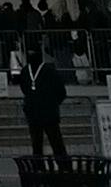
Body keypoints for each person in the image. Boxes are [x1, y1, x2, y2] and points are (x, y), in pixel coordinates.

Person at [26, 38, 75, 167]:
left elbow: (24, 89)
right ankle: (64, 166)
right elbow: (61, 91)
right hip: (49, 111)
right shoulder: (49, 70)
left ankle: (38, 166)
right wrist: (54, 102)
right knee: (56, 141)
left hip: (33, 111)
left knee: (37, 142)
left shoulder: (25, 71)